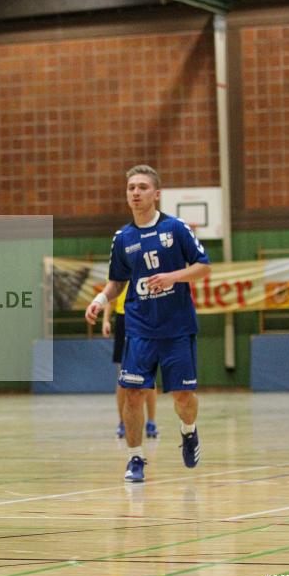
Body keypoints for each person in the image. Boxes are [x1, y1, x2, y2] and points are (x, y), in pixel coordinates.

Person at [85, 165, 210, 483]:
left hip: (177, 327)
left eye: (142, 187)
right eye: (131, 188)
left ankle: (189, 431)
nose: (136, 193)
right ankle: (135, 458)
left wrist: (173, 276)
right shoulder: (123, 238)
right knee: (133, 394)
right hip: (139, 328)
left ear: (156, 194)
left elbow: (203, 267)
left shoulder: (176, 229)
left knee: (183, 398)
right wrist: (100, 301)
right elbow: (116, 283)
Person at [102, 282, 157, 439]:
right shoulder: (119, 262)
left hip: (146, 316)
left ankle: (151, 421)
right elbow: (111, 293)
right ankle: (122, 422)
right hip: (123, 318)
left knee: (149, 372)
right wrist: (106, 319)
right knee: (122, 375)